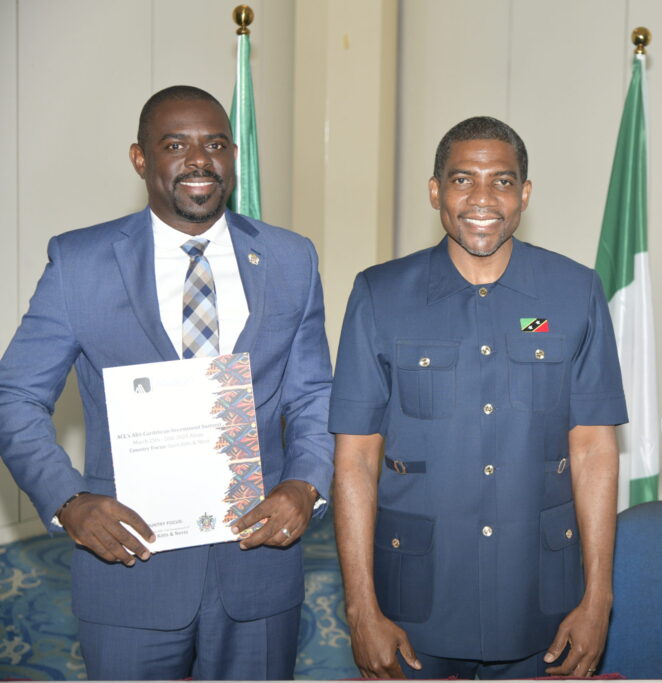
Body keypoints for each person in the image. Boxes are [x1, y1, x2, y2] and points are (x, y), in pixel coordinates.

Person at [0, 85, 334, 680]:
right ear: (140, 158)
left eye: (215, 144)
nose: (199, 160)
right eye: (176, 145)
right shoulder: (80, 262)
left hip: (258, 562)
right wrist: (68, 501)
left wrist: (305, 485)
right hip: (129, 563)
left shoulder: (291, 259)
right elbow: (15, 396)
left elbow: (313, 396)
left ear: (233, 156)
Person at [329, 116, 626, 679]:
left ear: (525, 194)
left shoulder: (575, 291)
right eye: (463, 180)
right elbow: (355, 459)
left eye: (502, 181)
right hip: (412, 600)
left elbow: (593, 450)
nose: (482, 198)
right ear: (435, 191)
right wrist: (361, 608)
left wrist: (598, 598)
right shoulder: (380, 294)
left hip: (542, 599)